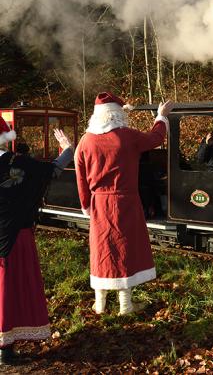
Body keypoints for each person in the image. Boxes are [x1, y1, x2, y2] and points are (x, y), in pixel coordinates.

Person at [74, 92, 173, 315]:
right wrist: (161, 116)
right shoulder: (126, 136)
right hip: (125, 201)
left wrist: (86, 204)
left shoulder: (85, 140)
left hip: (99, 202)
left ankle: (99, 304)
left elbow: (80, 175)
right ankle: (125, 305)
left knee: (101, 249)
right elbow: (155, 139)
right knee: (124, 249)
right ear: (117, 115)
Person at [0, 118, 73, 364]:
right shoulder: (17, 163)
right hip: (13, 238)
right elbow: (52, 170)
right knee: (9, 291)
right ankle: (5, 350)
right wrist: (67, 150)